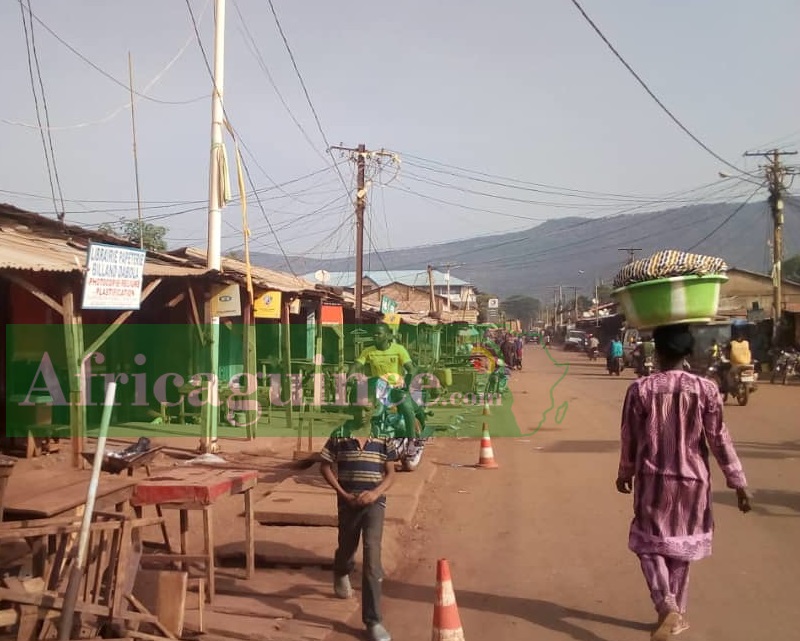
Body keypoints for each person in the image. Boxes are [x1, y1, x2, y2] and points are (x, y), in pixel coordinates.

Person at [616, 323, 751, 640]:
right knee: (681, 548)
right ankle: (675, 614)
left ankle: (667, 607)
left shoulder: (641, 389)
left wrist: (625, 472)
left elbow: (630, 438)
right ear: (688, 353)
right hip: (694, 482)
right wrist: (738, 482)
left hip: (653, 480)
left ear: (657, 352)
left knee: (648, 543)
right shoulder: (706, 389)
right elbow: (719, 439)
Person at [320, 417, 397, 641]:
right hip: (348, 503)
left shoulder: (383, 433)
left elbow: (391, 473)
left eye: (368, 407)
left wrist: (375, 493)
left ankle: (373, 621)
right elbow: (324, 465)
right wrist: (343, 494)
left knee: (372, 557)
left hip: (375, 505)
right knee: (346, 547)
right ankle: (341, 569)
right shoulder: (339, 433)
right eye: (358, 406)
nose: (363, 413)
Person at [349, 324, 418, 437]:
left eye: (379, 334)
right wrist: (350, 376)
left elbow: (411, 368)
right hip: (376, 389)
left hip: (395, 389)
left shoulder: (398, 349)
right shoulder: (368, 351)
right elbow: (356, 365)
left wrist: (407, 383)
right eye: (374, 334)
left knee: (406, 407)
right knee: (360, 408)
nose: (376, 336)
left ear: (387, 335)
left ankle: (412, 440)